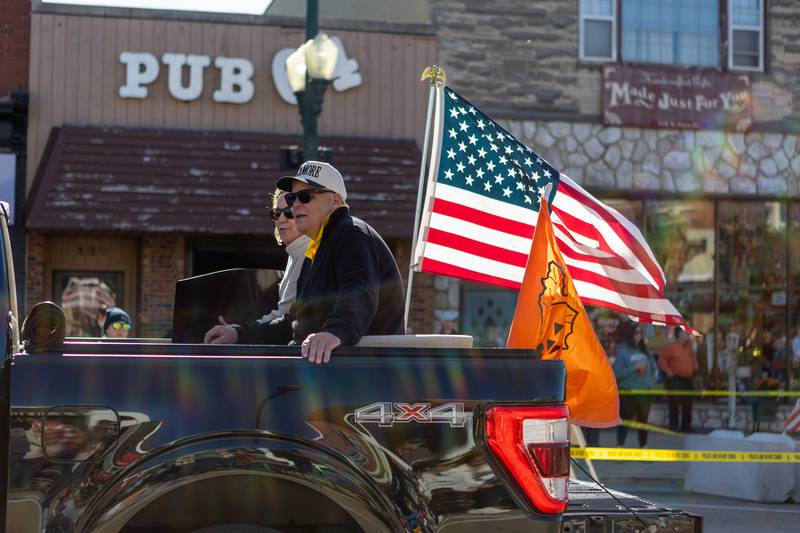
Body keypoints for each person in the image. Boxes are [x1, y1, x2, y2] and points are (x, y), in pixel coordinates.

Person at [204, 161, 405, 363]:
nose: (295, 204)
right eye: (292, 198)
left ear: (334, 200)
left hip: (368, 368)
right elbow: (294, 323)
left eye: (306, 196)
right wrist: (239, 333)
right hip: (336, 367)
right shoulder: (317, 248)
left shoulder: (351, 233)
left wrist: (334, 332)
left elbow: (360, 292)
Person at [613, 323, 657, 447]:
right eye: (636, 333)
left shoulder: (645, 350)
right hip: (628, 392)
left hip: (644, 392)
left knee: (643, 421)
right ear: (630, 334)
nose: (639, 336)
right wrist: (634, 367)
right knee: (625, 420)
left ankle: (643, 447)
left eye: (640, 333)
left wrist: (651, 383)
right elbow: (617, 373)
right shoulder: (623, 351)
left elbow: (654, 368)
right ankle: (620, 446)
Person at [658, 327, 698, 432]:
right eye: (685, 332)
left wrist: (694, 367)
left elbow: (692, 359)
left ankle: (686, 426)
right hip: (675, 379)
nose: (687, 334)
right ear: (679, 334)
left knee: (688, 403)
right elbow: (662, 359)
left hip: (688, 379)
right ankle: (674, 426)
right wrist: (668, 372)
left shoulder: (689, 348)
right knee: (674, 403)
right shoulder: (672, 347)